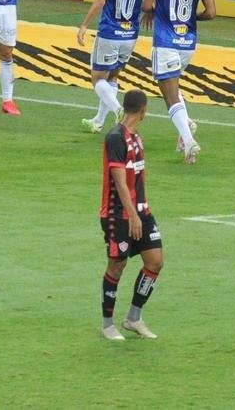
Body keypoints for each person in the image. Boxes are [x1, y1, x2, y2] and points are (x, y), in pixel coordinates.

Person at [140, 0, 216, 165]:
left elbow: (146, 3)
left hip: (166, 41)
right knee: (171, 88)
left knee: (169, 94)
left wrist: (153, 12)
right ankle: (186, 126)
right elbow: (211, 12)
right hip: (188, 43)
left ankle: (188, 140)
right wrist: (191, 19)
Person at [99, 89, 164, 340]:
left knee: (155, 261)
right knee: (117, 265)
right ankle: (107, 325)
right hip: (118, 214)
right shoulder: (115, 137)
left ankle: (133, 317)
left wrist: (142, 211)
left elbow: (137, 178)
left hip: (141, 211)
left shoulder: (136, 138)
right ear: (143, 110)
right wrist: (132, 216)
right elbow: (119, 182)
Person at [77, 0, 148, 133]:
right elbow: (149, 1)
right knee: (113, 77)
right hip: (130, 35)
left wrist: (84, 25)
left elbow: (100, 1)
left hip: (110, 32)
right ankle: (98, 121)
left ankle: (119, 110)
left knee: (97, 79)